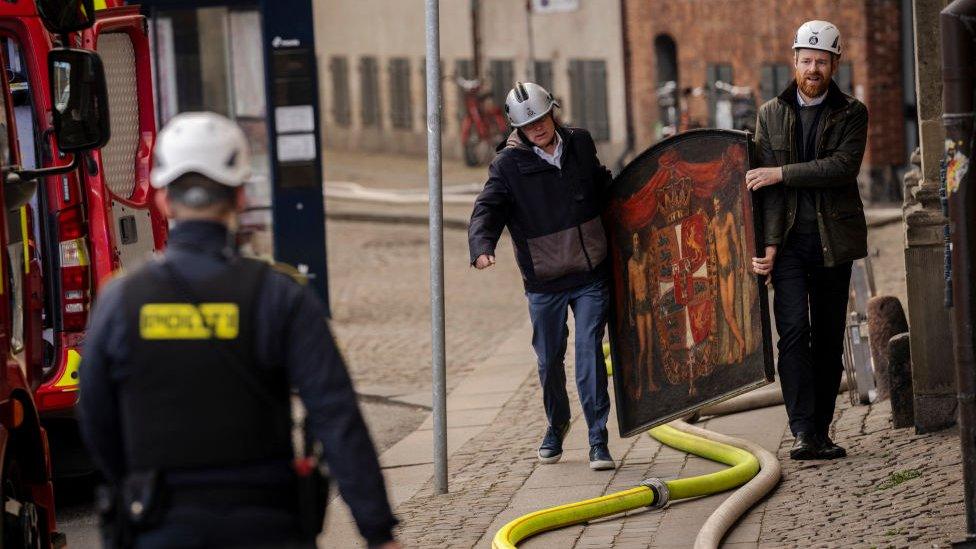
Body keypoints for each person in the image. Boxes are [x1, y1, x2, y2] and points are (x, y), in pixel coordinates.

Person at [79, 112, 401, 548]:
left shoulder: (120, 300)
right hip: (267, 524)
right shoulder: (280, 295)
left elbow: (96, 415)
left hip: (159, 525)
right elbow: (336, 416)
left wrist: (135, 484)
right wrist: (377, 530)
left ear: (162, 201)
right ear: (242, 197)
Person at [469, 81, 615, 471]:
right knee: (549, 360)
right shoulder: (508, 166)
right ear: (516, 128)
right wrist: (481, 245)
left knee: (588, 355)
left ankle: (598, 439)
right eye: (527, 123)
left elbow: (605, 188)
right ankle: (557, 423)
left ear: (553, 111)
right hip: (545, 281)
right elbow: (487, 210)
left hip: (590, 274)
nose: (537, 127)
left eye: (540, 118)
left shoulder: (580, 143)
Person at [746, 20, 869, 460]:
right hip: (791, 247)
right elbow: (766, 191)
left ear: (835, 63)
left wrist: (782, 172)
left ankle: (820, 430)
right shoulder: (770, 114)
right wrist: (770, 244)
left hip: (832, 242)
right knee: (794, 333)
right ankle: (801, 430)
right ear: (794, 61)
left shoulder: (852, 112)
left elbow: (840, 168)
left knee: (829, 337)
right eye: (806, 60)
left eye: (821, 61)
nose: (813, 68)